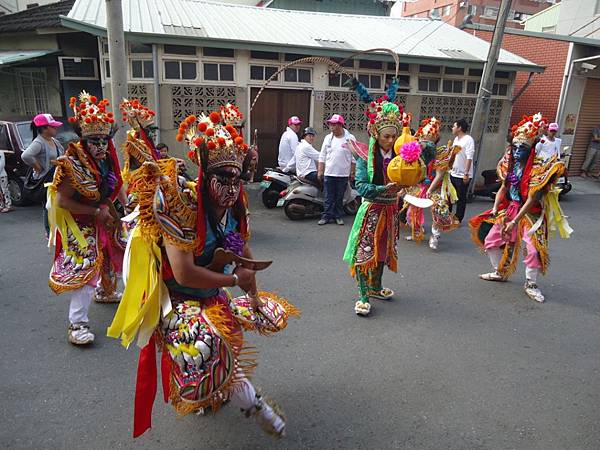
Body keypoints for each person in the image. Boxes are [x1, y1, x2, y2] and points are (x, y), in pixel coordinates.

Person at [107, 106, 298, 439]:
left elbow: (243, 254)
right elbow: (183, 274)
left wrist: (252, 295)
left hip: (211, 293)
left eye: (235, 179)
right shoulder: (181, 206)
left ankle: (220, 390)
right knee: (210, 346)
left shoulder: (234, 207)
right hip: (178, 300)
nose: (230, 187)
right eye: (222, 179)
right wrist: (232, 280)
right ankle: (258, 409)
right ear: (205, 176)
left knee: (254, 325)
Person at [46, 91, 126, 345]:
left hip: (101, 216)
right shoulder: (73, 164)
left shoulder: (104, 160)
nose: (101, 146)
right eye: (95, 141)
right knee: (85, 270)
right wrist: (94, 212)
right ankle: (77, 323)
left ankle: (106, 290)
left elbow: (116, 183)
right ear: (84, 139)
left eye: (104, 140)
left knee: (112, 255)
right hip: (79, 223)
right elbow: (62, 201)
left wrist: (124, 204)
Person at [469, 112, 572, 303]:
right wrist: (494, 209)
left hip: (531, 213)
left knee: (533, 249)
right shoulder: (510, 165)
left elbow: (532, 199)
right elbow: (502, 188)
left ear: (531, 148)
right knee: (491, 240)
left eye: (522, 147)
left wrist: (515, 221)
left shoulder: (538, 169)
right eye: (514, 146)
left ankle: (531, 284)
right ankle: (500, 271)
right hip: (511, 208)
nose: (517, 151)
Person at [343, 98, 405, 316]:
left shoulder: (401, 157)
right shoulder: (364, 157)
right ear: (376, 135)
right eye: (386, 136)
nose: (390, 140)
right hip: (372, 211)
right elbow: (361, 186)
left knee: (383, 251)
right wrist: (384, 188)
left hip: (391, 211)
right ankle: (363, 294)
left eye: (394, 136)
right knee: (365, 251)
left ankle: (376, 287)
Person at [21, 113, 64, 232]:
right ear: (44, 128)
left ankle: (58, 229)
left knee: (58, 204)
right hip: (46, 180)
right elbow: (26, 155)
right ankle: (49, 232)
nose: (55, 128)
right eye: (52, 126)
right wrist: (37, 166)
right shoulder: (39, 142)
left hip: (57, 177)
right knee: (48, 205)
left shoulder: (53, 140)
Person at [317, 114, 355, 225]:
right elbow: (322, 155)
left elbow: (353, 157)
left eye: (334, 124)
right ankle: (326, 216)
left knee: (339, 197)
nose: (331, 127)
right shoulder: (328, 138)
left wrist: (352, 172)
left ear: (340, 125)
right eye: (330, 124)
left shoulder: (349, 138)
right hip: (329, 173)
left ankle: (338, 216)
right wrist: (320, 171)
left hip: (343, 174)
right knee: (328, 196)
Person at [449, 118, 475, 222]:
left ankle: (458, 218)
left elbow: (469, 157)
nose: (452, 128)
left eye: (454, 126)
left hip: (462, 175)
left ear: (459, 128)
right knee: (449, 195)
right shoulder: (456, 140)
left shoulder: (468, 140)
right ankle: (447, 215)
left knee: (461, 197)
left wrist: (466, 174)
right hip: (453, 172)